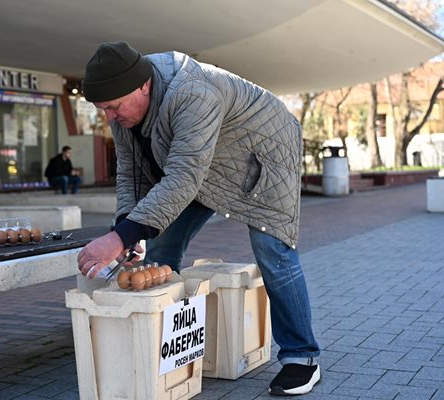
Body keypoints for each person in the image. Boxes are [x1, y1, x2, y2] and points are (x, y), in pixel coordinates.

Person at [76, 41, 321, 395]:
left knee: (273, 250)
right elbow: (130, 174)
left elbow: (184, 176)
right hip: (200, 163)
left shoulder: (192, 89)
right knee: (161, 247)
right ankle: (161, 347)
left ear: (143, 85)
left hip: (265, 151)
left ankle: (302, 357)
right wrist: (125, 230)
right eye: (102, 109)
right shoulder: (123, 106)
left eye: (112, 107)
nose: (109, 117)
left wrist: (116, 239)